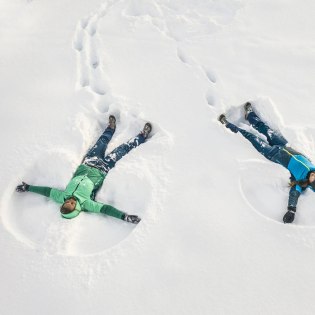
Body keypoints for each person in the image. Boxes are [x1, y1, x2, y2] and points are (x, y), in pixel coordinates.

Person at [16, 115, 152, 224]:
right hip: (103, 168)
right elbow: (105, 209)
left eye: (67, 203)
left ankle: (110, 128)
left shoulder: (61, 196)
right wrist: (124, 217)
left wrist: (28, 187)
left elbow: (45, 191)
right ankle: (142, 136)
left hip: (88, 162)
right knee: (122, 149)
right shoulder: (87, 204)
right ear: (76, 209)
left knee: (101, 142)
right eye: (72, 205)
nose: (70, 201)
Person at [218, 103, 315, 224]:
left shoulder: (301, 182)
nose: (313, 175)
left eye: (313, 179)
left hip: (272, 153)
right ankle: (250, 115)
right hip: (283, 145)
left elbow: (294, 194)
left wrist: (291, 210)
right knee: (265, 128)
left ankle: (227, 125)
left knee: (250, 137)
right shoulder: (313, 168)